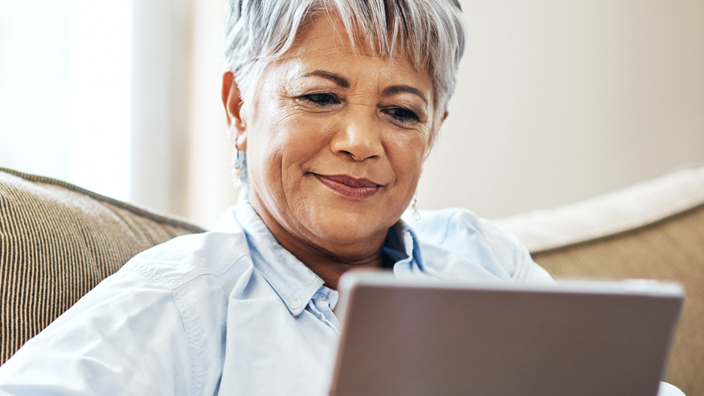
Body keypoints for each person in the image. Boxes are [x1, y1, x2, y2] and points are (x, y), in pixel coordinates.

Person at [0, 1, 685, 395]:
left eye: (402, 112)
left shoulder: (482, 258)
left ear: (434, 131)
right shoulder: (183, 304)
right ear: (239, 106)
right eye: (320, 97)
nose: (361, 140)